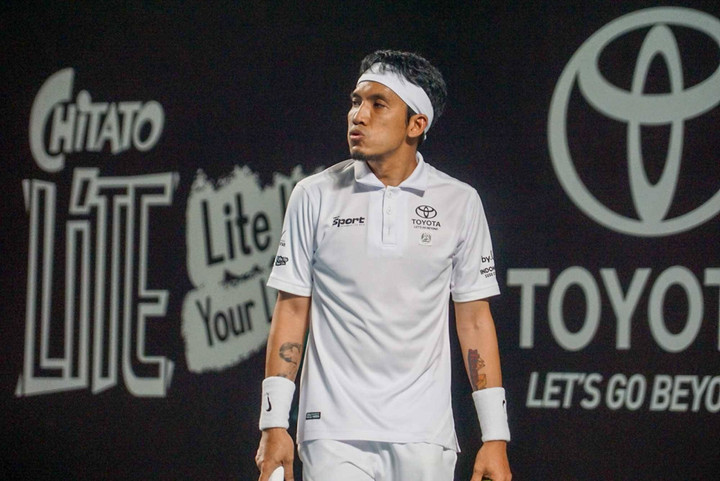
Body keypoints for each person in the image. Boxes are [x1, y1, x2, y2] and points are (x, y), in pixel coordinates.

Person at [255, 49, 512, 481]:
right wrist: (273, 423)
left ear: (416, 124)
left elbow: (474, 321)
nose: (358, 115)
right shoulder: (313, 195)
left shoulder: (460, 202)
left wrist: (495, 437)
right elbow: (292, 309)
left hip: (425, 435)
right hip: (332, 433)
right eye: (356, 101)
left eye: (378, 104)